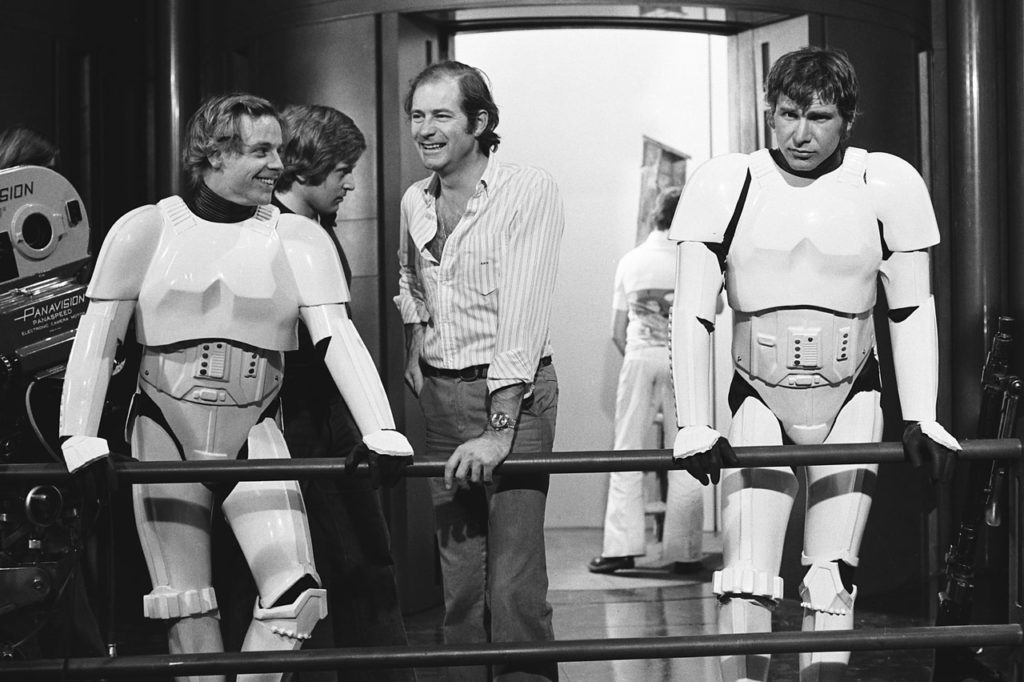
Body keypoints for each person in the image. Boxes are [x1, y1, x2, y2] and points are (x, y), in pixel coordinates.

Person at [59, 92, 412, 682]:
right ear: (213, 154)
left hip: (257, 427)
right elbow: (98, 337)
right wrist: (79, 434)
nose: (278, 163)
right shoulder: (143, 231)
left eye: (278, 148)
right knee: (186, 601)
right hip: (163, 428)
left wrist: (382, 430)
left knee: (297, 594)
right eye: (261, 150)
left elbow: (339, 337)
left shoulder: (298, 238)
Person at [667, 47, 960, 682]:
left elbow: (910, 307)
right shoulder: (728, 183)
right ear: (769, 113)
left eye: (820, 116)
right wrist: (694, 420)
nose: (801, 133)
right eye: (788, 114)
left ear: (847, 119)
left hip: (852, 390)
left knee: (831, 579)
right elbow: (690, 309)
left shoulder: (884, 184)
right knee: (744, 584)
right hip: (756, 393)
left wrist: (922, 416)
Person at [394, 60, 565, 682]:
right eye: (417, 116)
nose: (425, 130)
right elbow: (411, 277)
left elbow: (522, 317)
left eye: (441, 115)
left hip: (512, 397)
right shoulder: (416, 196)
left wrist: (499, 430)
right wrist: (417, 345)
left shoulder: (528, 188)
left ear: (480, 121)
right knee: (459, 575)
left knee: (515, 580)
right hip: (441, 393)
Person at [273, 103, 415, 682]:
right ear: (306, 166)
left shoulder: (316, 230)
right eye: (340, 169)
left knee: (364, 561)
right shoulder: (281, 231)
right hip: (303, 418)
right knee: (342, 566)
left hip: (332, 416)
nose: (350, 182)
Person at [588, 186, 705, 575]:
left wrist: (642, 352)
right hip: (680, 361)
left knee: (627, 451)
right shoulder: (693, 261)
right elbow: (714, 309)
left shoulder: (631, 260)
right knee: (689, 450)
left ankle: (621, 547)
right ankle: (684, 551)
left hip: (639, 356)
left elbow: (616, 330)